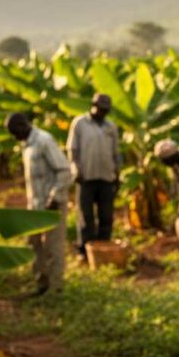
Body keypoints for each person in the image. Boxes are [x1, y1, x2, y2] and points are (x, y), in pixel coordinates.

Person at [6, 112, 71, 296]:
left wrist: (55, 197)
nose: (13, 136)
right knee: (34, 245)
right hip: (35, 206)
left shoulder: (44, 140)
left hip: (52, 205)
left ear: (22, 125)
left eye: (13, 131)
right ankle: (42, 283)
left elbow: (64, 171)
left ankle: (56, 288)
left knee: (53, 247)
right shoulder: (26, 145)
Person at [67, 93, 121, 259]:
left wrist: (117, 175)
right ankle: (84, 248)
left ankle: (103, 247)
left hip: (106, 177)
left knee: (106, 214)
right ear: (93, 105)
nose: (103, 112)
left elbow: (116, 152)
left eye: (106, 110)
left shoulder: (111, 126)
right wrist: (75, 169)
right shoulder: (80, 123)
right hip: (86, 177)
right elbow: (72, 149)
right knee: (86, 215)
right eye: (100, 109)